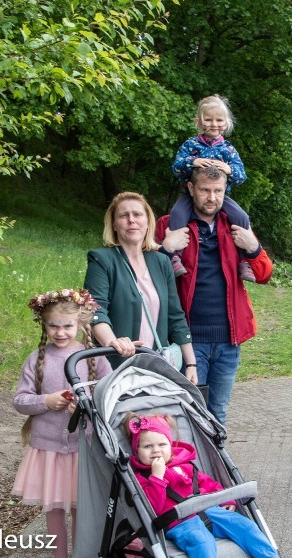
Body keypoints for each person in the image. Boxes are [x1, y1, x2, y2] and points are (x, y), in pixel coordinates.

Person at [156, 166, 273, 425]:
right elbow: (149, 277)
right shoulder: (170, 225)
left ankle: (217, 466)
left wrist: (252, 247)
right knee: (188, 412)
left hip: (228, 340)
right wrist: (166, 250)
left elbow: (264, 275)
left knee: (218, 412)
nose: (212, 198)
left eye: (218, 191)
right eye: (205, 190)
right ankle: (191, 465)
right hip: (187, 339)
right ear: (191, 189)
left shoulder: (235, 226)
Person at [12, 288, 113, 558]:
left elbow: (109, 396)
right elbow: (20, 400)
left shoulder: (94, 357)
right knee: (55, 508)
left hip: (84, 448)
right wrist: (46, 401)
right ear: (44, 325)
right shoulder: (36, 359)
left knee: (83, 507)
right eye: (53, 326)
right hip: (49, 450)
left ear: (80, 324)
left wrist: (86, 406)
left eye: (67, 325)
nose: (60, 332)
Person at [124, 413, 287, 558]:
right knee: (201, 542)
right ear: (136, 451)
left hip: (210, 511)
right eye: (147, 446)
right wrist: (157, 478)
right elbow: (153, 508)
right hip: (180, 523)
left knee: (244, 525)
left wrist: (226, 499)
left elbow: (209, 485)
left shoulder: (186, 466)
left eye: (162, 444)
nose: (156, 450)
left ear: (170, 446)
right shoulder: (143, 478)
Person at [83, 191, 198, 382]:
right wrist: (113, 342)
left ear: (147, 221)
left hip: (155, 365)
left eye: (137, 214)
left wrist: (191, 363)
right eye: (123, 215)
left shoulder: (161, 261)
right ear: (114, 224)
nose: (131, 220)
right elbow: (95, 310)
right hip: (117, 364)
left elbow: (175, 316)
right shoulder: (102, 259)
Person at [169, 94, 254, 282]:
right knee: (176, 214)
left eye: (218, 120)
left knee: (241, 217)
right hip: (192, 196)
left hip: (221, 197)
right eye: (208, 119)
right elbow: (175, 167)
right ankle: (176, 256)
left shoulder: (228, 149)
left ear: (225, 123)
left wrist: (230, 170)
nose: (213, 124)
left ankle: (243, 260)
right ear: (198, 121)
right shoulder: (191, 144)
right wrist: (193, 161)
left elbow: (242, 176)